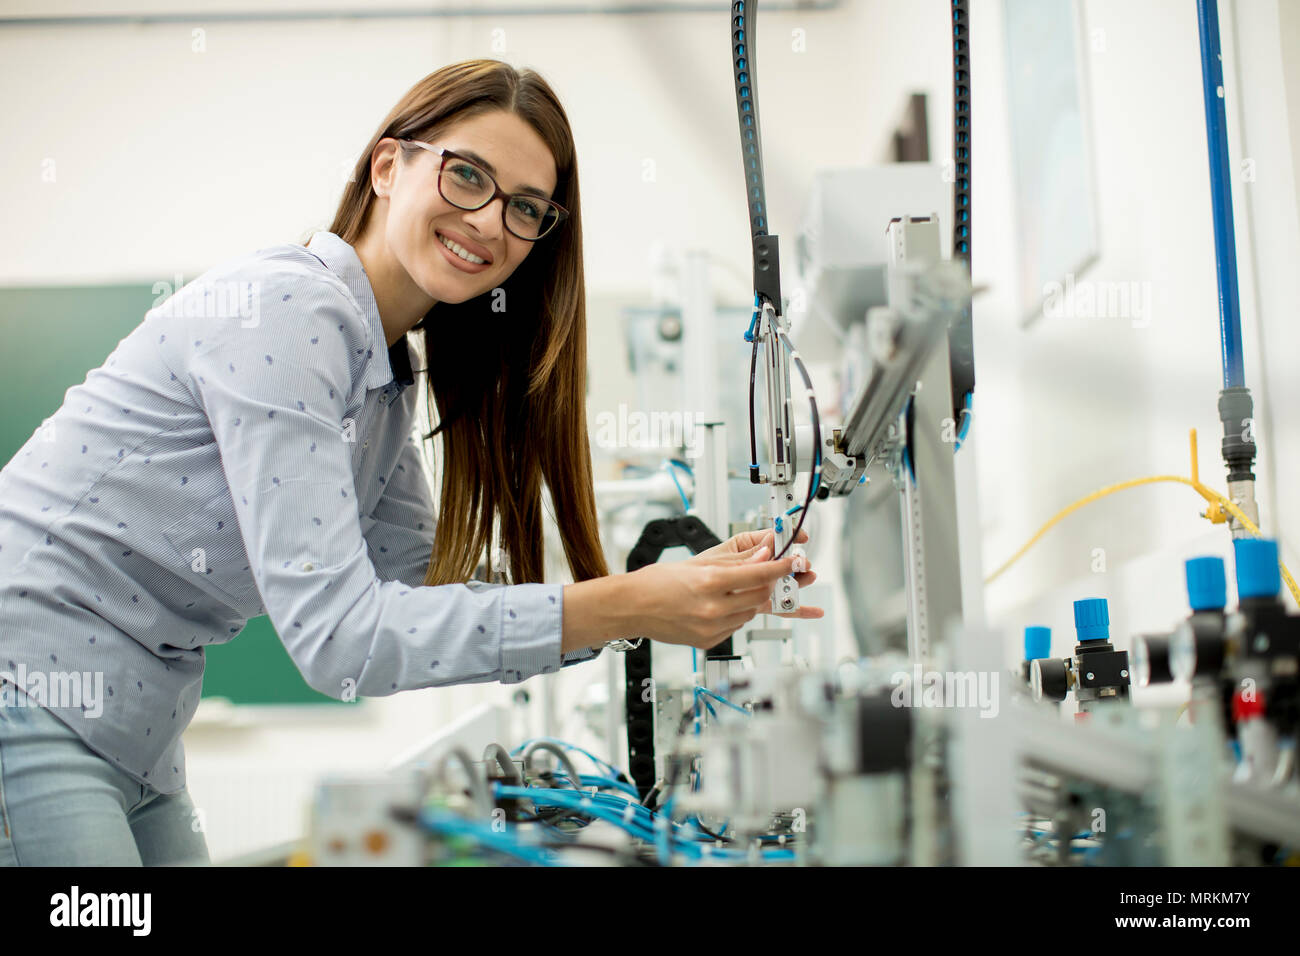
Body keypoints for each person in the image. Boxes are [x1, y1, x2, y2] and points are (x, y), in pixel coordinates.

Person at [0, 58, 820, 866]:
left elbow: (420, 595)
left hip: (137, 727)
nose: (491, 222)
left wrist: (667, 595)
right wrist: (629, 606)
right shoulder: (291, 312)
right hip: (31, 686)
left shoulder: (385, 372)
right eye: (468, 176)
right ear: (388, 165)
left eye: (527, 207)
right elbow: (345, 642)